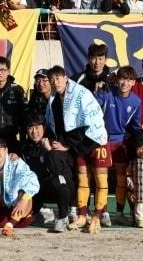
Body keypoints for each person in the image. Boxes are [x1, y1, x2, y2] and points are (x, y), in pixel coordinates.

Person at [44, 65, 107, 234]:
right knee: (73, 178)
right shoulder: (53, 99)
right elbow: (54, 125)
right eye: (52, 80)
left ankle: (100, 214)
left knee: (99, 181)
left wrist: (65, 143)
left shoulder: (81, 94)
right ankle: (75, 213)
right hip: (71, 145)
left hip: (92, 141)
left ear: (65, 78)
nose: (55, 82)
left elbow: (86, 124)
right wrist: (56, 142)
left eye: (58, 78)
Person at [95, 65, 143, 226]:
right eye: (122, 78)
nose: (125, 83)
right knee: (102, 179)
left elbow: (136, 126)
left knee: (122, 179)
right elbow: (92, 108)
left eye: (129, 80)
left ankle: (120, 213)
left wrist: (141, 142)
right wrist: (98, 91)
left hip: (120, 143)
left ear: (133, 82)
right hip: (102, 141)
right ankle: (104, 212)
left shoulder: (136, 101)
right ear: (117, 79)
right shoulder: (107, 93)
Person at [19, 115, 73, 233]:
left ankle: (63, 217)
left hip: (58, 187)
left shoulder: (55, 144)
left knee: (58, 180)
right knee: (23, 218)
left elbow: (58, 171)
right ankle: (44, 212)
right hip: (37, 189)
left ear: (44, 128)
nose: (34, 132)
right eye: (31, 128)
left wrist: (49, 151)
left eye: (37, 128)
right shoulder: (24, 148)